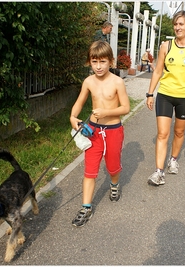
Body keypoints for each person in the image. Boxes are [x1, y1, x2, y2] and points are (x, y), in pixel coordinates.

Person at [69, 41, 130, 226]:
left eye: (102, 61)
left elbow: (125, 107)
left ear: (110, 61)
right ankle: (85, 208)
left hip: (113, 130)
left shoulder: (117, 82)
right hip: (93, 132)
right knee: (90, 170)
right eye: (94, 62)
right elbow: (80, 102)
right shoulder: (88, 81)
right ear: (89, 62)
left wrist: (106, 113)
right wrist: (73, 117)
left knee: (112, 166)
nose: (98, 66)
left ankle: (114, 184)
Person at [145, 10, 185, 186]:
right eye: (176, 24)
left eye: (181, 24)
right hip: (165, 94)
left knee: (179, 132)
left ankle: (173, 159)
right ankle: (158, 172)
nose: (177, 27)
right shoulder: (166, 46)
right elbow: (157, 70)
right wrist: (150, 93)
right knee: (162, 133)